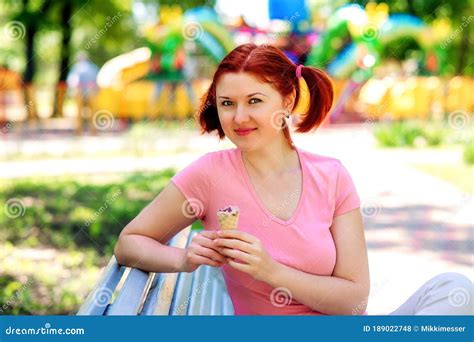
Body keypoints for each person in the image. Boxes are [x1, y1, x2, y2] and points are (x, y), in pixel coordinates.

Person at [114, 44, 473, 315]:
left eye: (255, 100)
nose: (239, 117)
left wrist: (271, 270)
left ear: (287, 100)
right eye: (227, 103)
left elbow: (354, 302)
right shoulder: (208, 174)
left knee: (454, 288)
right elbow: (129, 242)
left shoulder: (331, 176)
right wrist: (184, 258)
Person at [66, 52, 99, 135]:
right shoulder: (93, 67)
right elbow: (97, 80)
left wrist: (71, 91)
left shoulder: (76, 68)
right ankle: (93, 131)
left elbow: (72, 81)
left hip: (79, 91)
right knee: (93, 112)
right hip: (91, 91)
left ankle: (78, 131)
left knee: (78, 112)